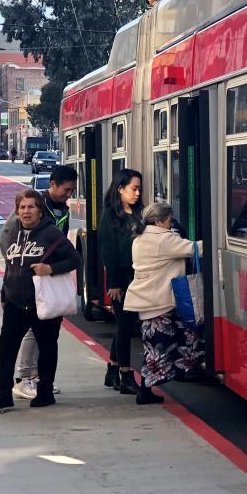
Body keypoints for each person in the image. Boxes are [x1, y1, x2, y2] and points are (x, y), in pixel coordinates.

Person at [0, 189, 81, 410]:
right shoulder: (13, 234)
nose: (26, 211)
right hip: (15, 302)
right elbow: (11, 266)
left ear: (40, 211)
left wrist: (50, 268)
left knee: (47, 349)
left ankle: (45, 392)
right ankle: (3, 393)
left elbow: (75, 259)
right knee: (6, 349)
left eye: (31, 207)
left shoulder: (51, 234)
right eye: (22, 207)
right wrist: (4, 292)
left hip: (42, 303)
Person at [8, 165, 78, 400]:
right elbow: (9, 238)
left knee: (48, 331)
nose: (68, 194)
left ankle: (41, 378)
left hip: (49, 277)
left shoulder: (61, 209)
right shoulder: (38, 206)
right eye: (66, 190)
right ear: (53, 185)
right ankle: (23, 378)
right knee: (31, 329)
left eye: (71, 191)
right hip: (29, 280)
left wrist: (54, 268)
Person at [124, 201, 204, 405]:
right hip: (160, 301)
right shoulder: (164, 240)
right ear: (159, 221)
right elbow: (194, 249)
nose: (171, 223)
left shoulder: (139, 238)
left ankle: (150, 387)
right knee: (174, 343)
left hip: (147, 301)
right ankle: (149, 388)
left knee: (155, 348)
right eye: (169, 219)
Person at [99, 168, 144, 395]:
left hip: (138, 278)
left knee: (125, 325)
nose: (137, 193)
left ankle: (112, 369)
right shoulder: (110, 216)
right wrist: (114, 284)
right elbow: (109, 253)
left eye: (139, 189)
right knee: (126, 326)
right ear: (120, 189)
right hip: (121, 280)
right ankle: (126, 375)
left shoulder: (139, 214)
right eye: (133, 189)